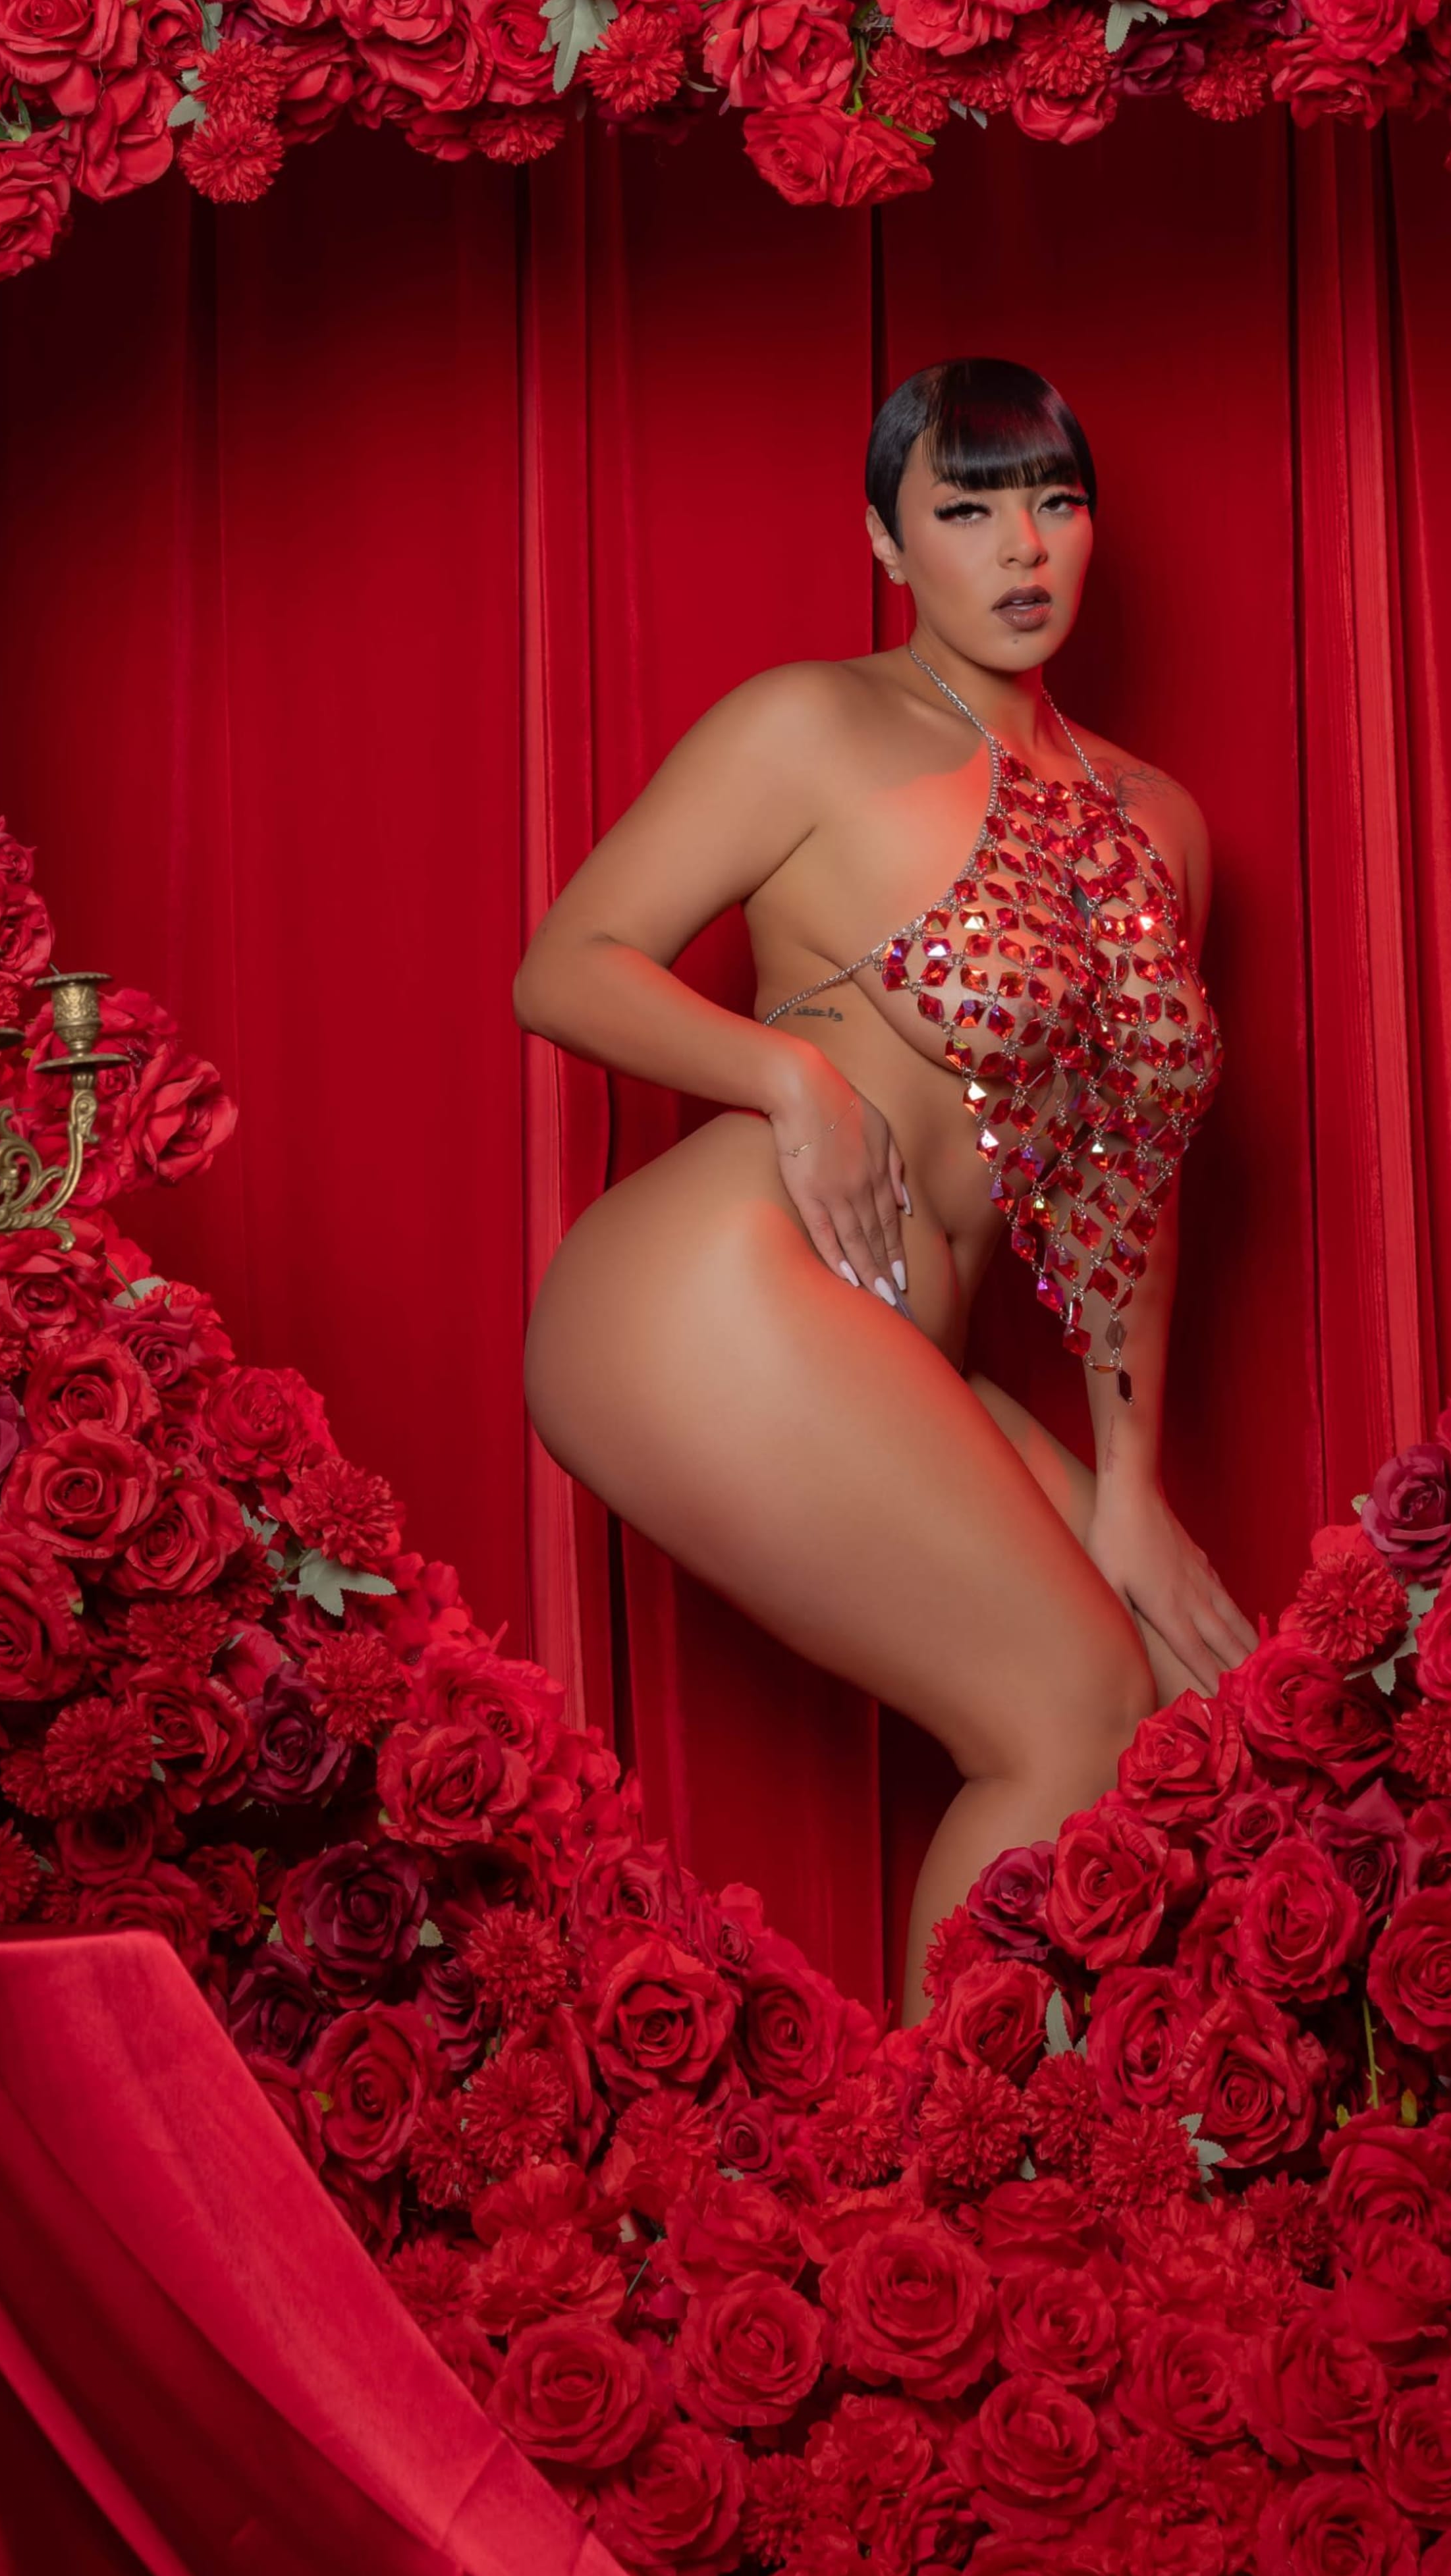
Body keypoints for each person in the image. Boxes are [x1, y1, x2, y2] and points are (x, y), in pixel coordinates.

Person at [516, 358, 1257, 2014]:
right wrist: (787, 1070)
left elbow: (1127, 1172)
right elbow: (567, 966)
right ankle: (938, 2215)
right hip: (720, 1279)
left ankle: (1038, 2211)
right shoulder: (812, 723)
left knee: (1179, 1708)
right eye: (969, 507)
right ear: (885, 536)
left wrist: (1129, 1475)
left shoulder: (1162, 821)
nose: (1023, 548)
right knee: (1064, 1702)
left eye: (1055, 503)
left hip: (896, 1350)